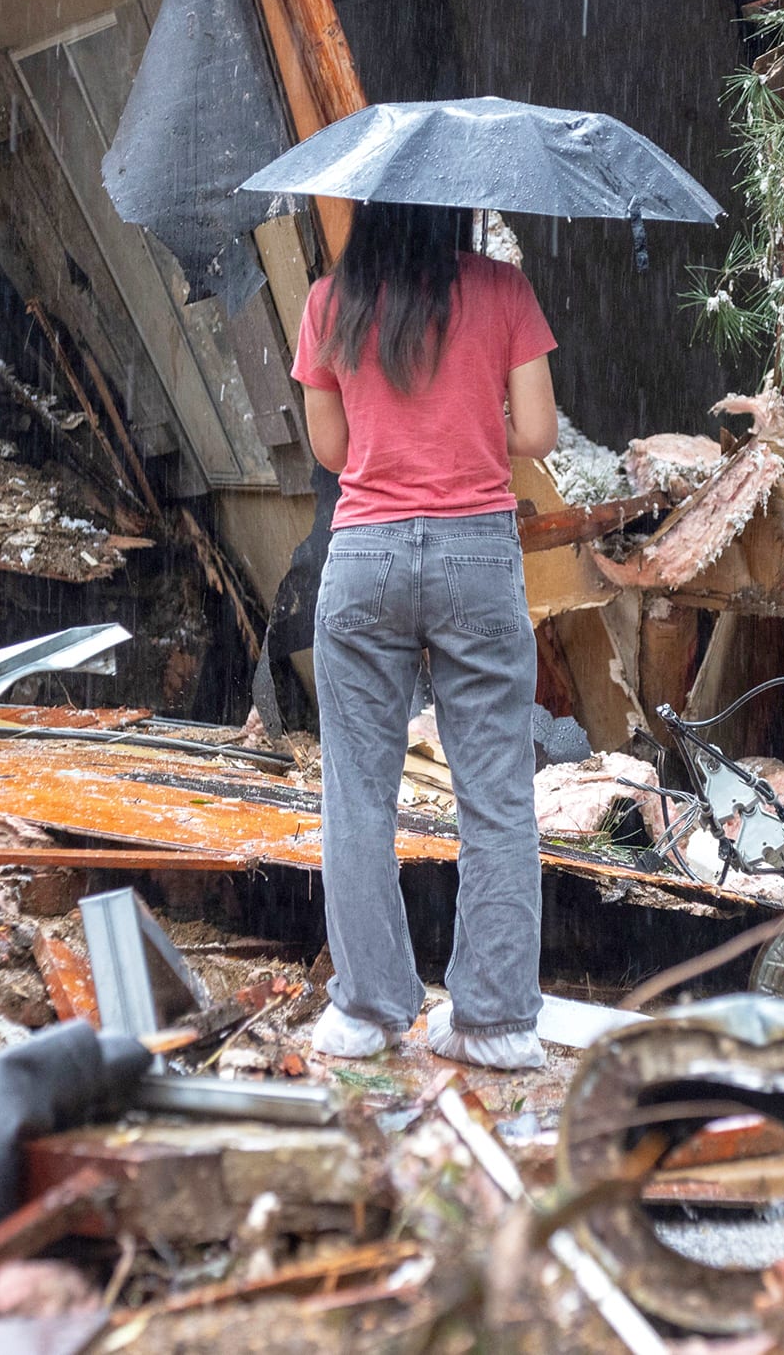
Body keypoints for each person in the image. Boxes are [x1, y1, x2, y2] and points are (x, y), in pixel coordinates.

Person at [290, 202, 558, 1069]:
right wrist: (474, 424)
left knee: (358, 795)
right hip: (477, 558)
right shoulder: (503, 290)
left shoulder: (330, 301)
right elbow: (541, 435)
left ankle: (368, 1011)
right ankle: (497, 1022)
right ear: (452, 209)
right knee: (497, 795)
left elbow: (331, 450)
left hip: (364, 556)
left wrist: (394, 430)